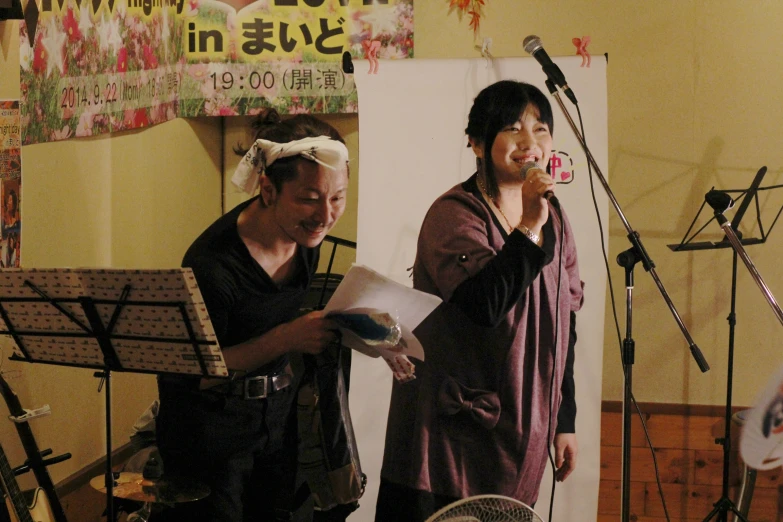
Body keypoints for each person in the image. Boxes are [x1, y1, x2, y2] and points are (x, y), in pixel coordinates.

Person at [376, 80, 585, 520]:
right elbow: (484, 305)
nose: (531, 143)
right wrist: (530, 223)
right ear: (476, 142)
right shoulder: (455, 213)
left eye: (541, 129)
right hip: (447, 439)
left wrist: (564, 418)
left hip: (519, 435)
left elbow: (564, 325)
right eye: (513, 129)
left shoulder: (556, 218)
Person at [154, 109, 350, 522]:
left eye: (338, 197)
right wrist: (287, 338)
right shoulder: (212, 266)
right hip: (209, 430)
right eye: (310, 198)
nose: (325, 215)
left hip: (276, 415)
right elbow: (195, 372)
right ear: (267, 189)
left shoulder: (305, 236)